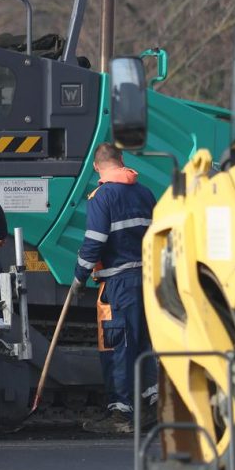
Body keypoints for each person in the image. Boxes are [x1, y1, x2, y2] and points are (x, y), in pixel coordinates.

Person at [73, 142, 157, 435]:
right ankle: (154, 405)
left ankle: (120, 414)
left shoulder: (102, 196)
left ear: (96, 166)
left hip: (119, 283)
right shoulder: (145, 193)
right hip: (148, 278)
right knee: (146, 343)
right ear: (121, 160)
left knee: (118, 345)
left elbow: (94, 241)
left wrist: (79, 276)